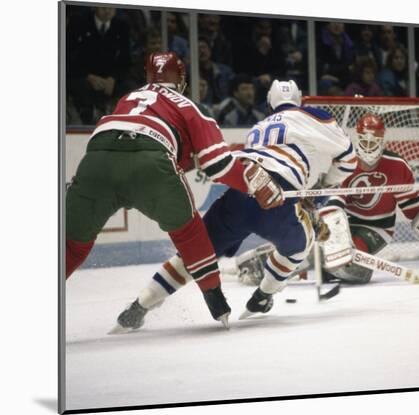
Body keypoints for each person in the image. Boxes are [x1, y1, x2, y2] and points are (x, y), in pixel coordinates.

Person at [112, 79, 358, 330]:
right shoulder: (314, 115)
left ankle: (139, 305)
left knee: (197, 254)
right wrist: (322, 192)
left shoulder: (258, 127)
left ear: (269, 103)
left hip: (240, 192)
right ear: (300, 99)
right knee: (299, 248)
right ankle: (262, 298)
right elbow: (349, 159)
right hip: (278, 198)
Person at [66, 52, 284, 329]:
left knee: (70, 246)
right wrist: (255, 185)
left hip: (96, 159)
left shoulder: (128, 98)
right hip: (151, 161)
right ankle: (216, 302)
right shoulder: (189, 106)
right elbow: (216, 164)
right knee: (189, 232)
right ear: (182, 80)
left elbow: (146, 146)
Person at [237, 113, 419, 285]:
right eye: (363, 140)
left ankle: (316, 262)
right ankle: (273, 259)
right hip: (343, 221)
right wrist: (326, 226)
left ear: (382, 140)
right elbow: (333, 199)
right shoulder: (347, 162)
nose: (368, 145)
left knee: (340, 262)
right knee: (321, 245)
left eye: (374, 141)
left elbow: (413, 206)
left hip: (376, 229)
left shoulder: (397, 166)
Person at [67, 7, 132, 124]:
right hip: (84, 75)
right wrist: (88, 76)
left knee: (129, 87)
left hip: (110, 78)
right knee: (79, 86)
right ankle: (87, 119)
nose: (107, 11)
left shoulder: (122, 24)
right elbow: (68, 56)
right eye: (103, 7)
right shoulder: (79, 22)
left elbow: (125, 60)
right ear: (94, 7)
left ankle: (122, 121)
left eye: (111, 8)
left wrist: (113, 78)